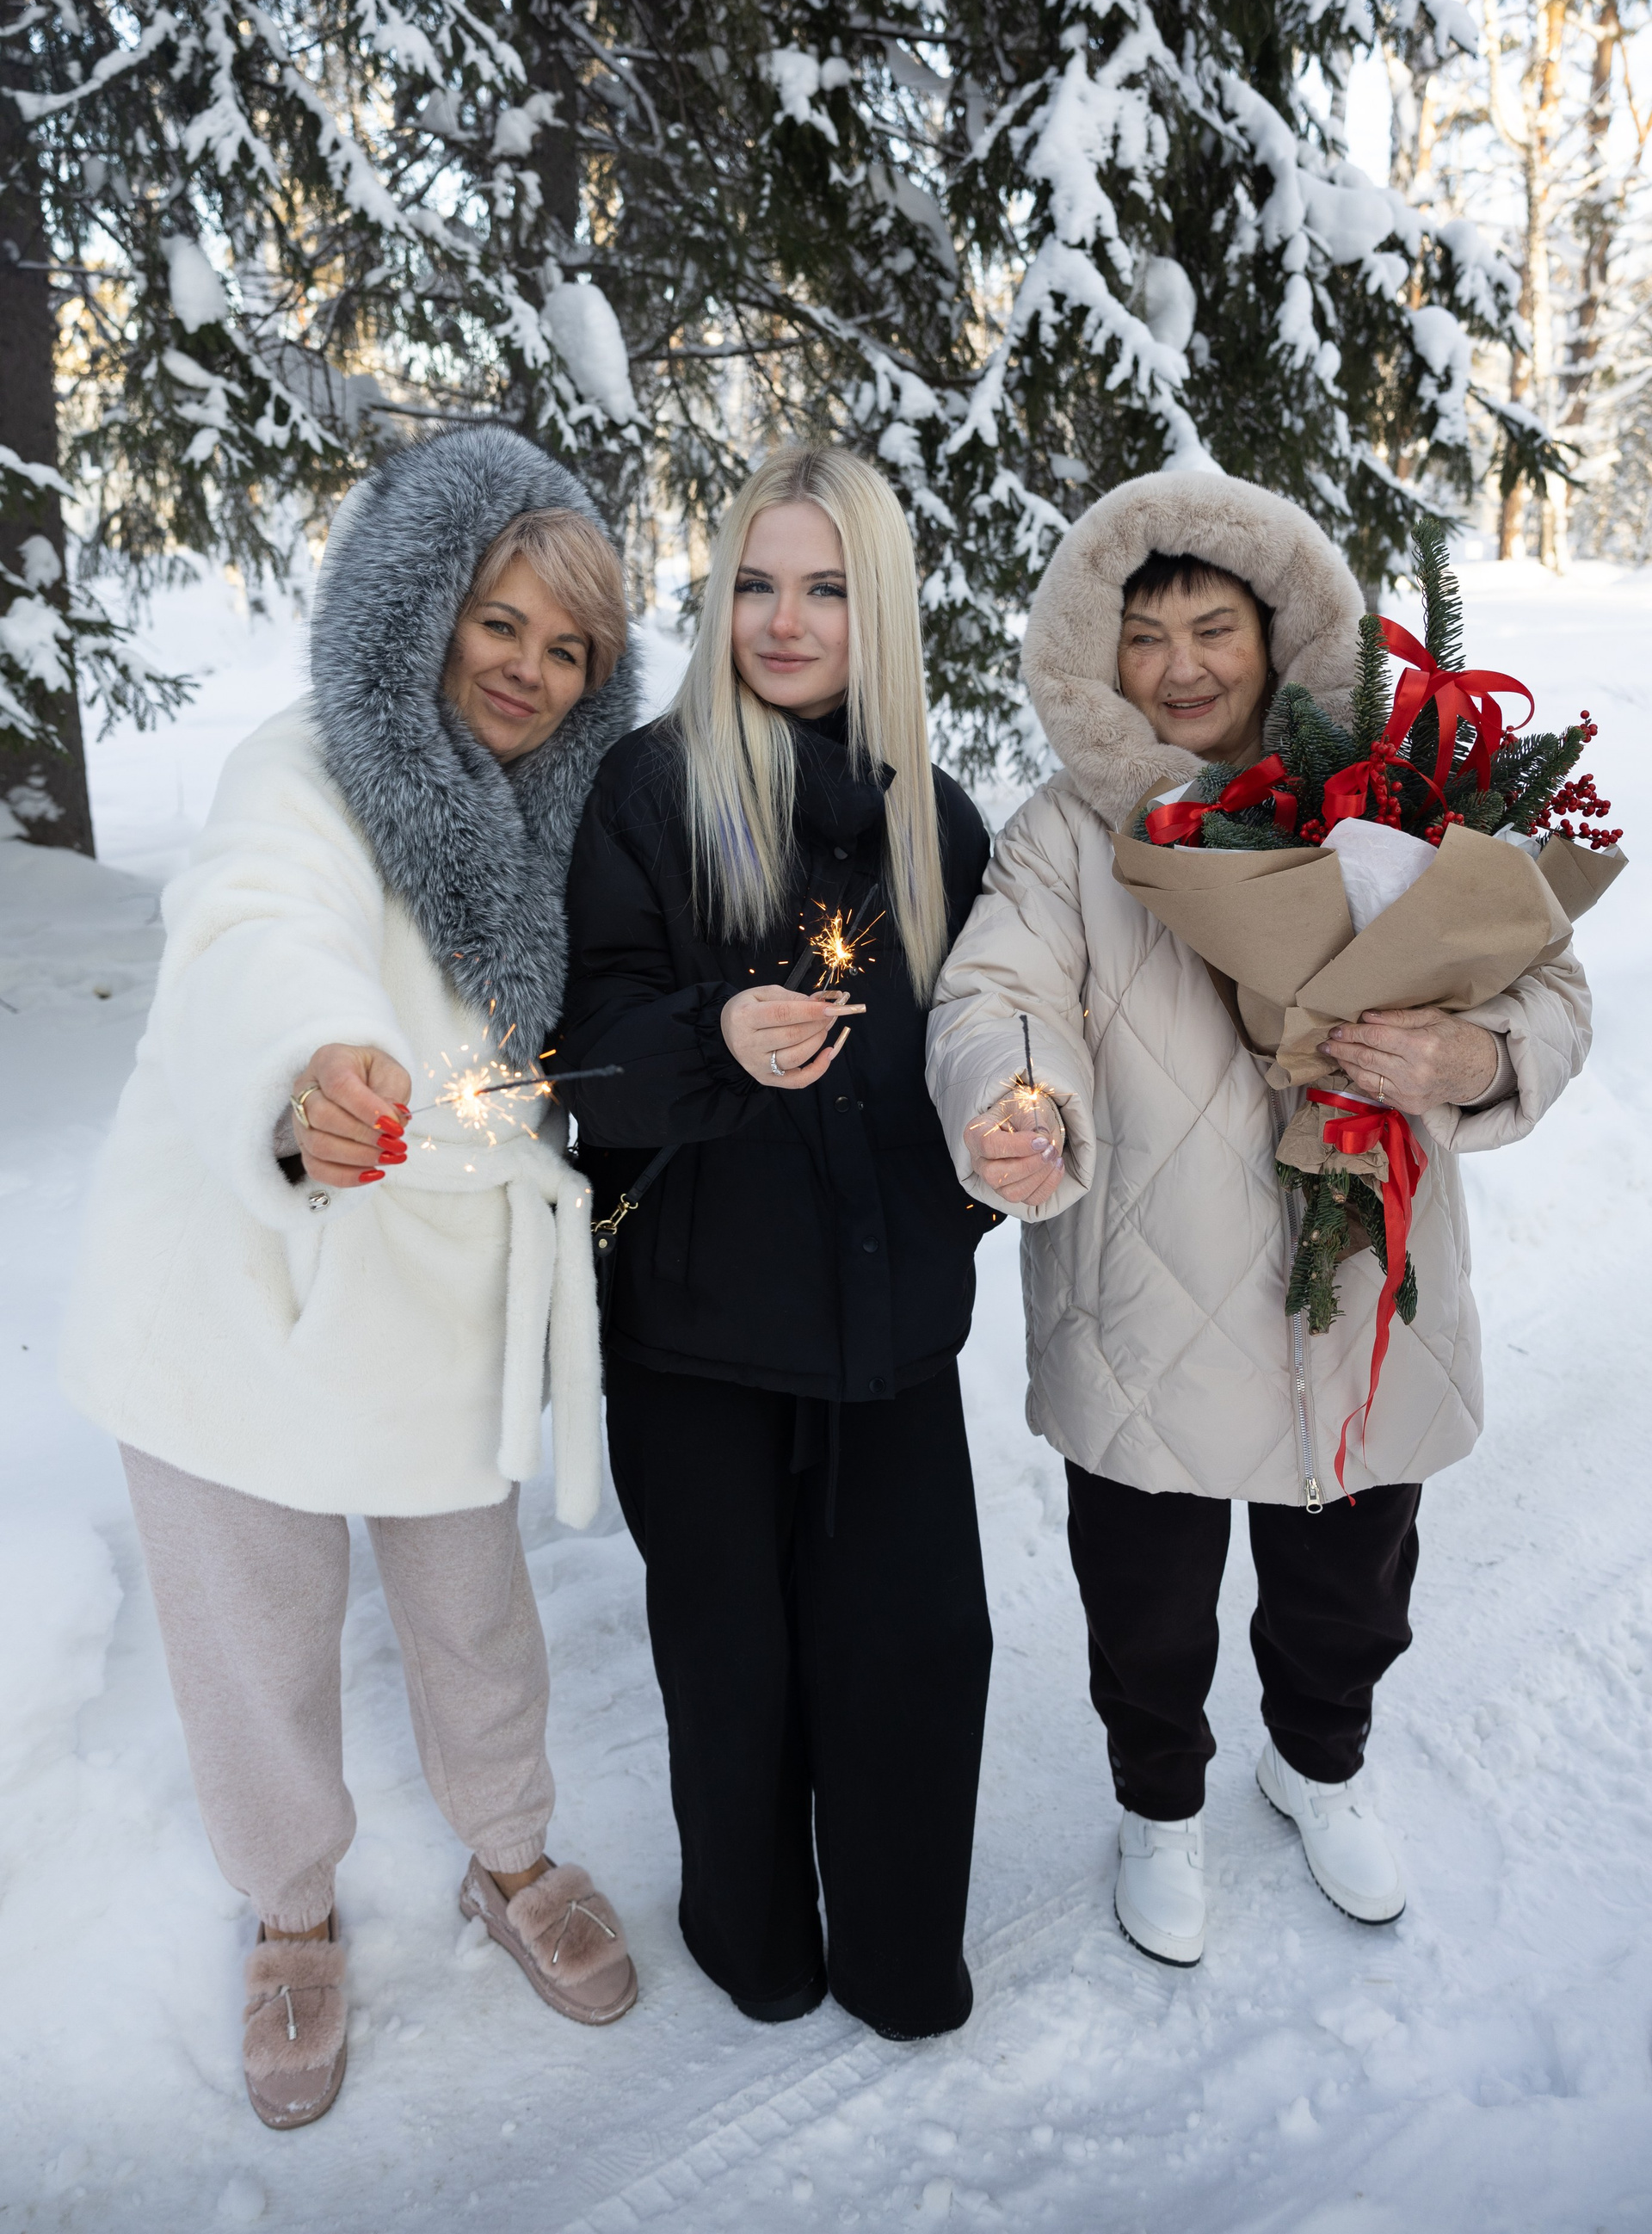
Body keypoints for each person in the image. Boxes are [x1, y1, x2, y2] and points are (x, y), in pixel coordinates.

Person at [924, 470, 1590, 1967]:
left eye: (1212, 626)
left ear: (1279, 631)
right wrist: (1018, 1094)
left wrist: (1469, 1059)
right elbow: (997, 992)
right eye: (1144, 635)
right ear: (1099, 654)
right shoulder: (1067, 833)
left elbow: (1545, 982)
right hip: (1146, 1297)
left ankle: (1319, 1761)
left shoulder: (1401, 799)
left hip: (1360, 1286)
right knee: (1146, 1602)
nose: (1182, 667)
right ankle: (1159, 1800)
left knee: (1351, 1586)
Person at [61, 425, 642, 2129]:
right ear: (421, 608)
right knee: (251, 1628)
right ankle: (292, 1910)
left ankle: (510, 1854)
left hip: (438, 1281)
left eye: (569, 649)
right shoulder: (307, 765)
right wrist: (315, 1064)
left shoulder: (565, 820)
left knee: (474, 1607)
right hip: (246, 1274)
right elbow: (259, 924)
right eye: (498, 624)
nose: (529, 672)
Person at [554, 443, 997, 2040]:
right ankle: (749, 1934)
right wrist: (712, 1034)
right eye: (755, 584)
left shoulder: (938, 818)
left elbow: (982, 1045)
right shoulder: (653, 791)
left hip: (888, 1338)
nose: (785, 621)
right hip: (700, 1334)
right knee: (733, 1669)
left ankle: (898, 1953)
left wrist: (997, 1156)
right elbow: (583, 1054)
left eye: (826, 589)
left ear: (881, 611)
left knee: (915, 1655)